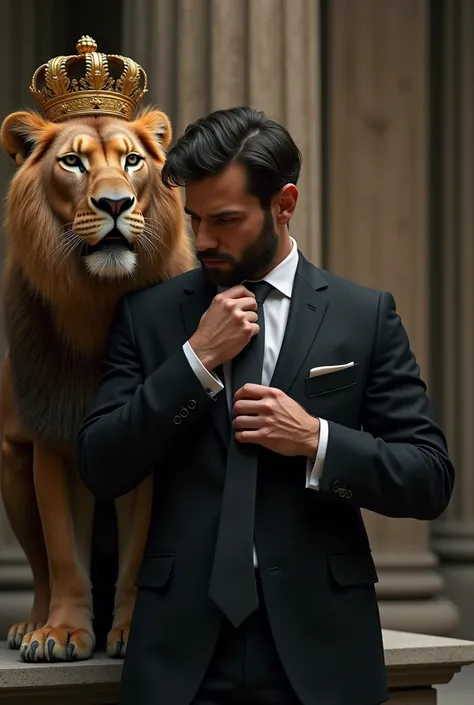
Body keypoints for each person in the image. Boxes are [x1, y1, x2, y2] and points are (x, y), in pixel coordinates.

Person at [77, 106, 455, 705]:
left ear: (284, 205)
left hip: (323, 651)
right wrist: (195, 362)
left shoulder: (364, 316)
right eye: (194, 218)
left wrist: (317, 440)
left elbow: (429, 478)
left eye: (224, 221)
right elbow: (101, 464)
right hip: (180, 656)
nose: (201, 240)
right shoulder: (149, 316)